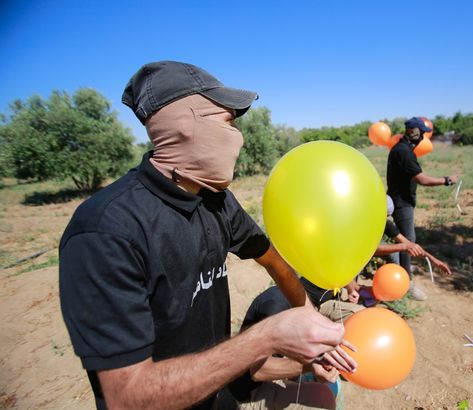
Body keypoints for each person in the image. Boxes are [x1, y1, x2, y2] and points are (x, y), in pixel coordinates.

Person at [59, 61, 355, 410]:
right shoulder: (105, 232)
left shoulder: (216, 201)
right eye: (228, 122)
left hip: (218, 395)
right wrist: (269, 336)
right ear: (184, 125)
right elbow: (128, 398)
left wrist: (311, 322)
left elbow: (274, 260)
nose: (238, 137)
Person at [386, 119, 458, 300]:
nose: (423, 136)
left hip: (401, 200)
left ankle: (404, 268)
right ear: (412, 131)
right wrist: (446, 180)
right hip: (402, 202)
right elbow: (423, 179)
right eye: (421, 132)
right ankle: (406, 284)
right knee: (408, 242)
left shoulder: (402, 149)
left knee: (404, 239)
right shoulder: (404, 152)